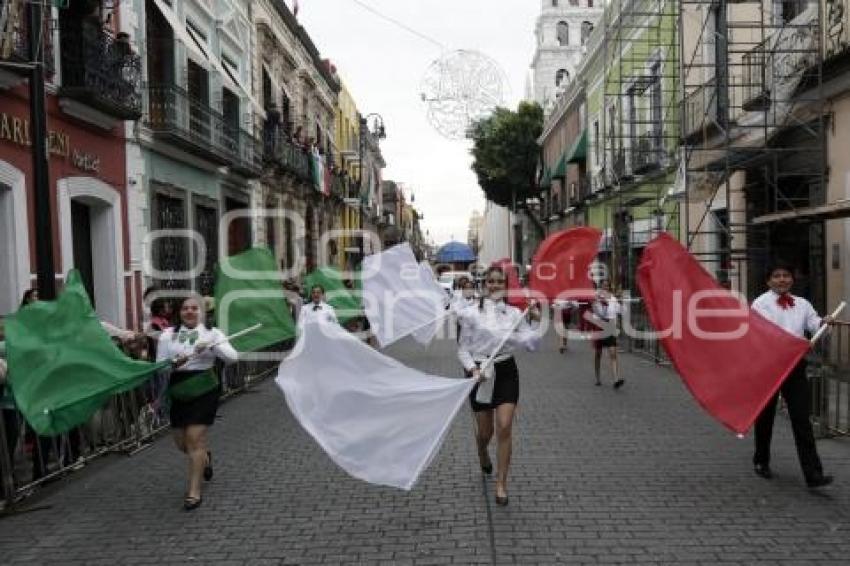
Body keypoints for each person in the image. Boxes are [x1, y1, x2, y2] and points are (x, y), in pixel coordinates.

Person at [750, 262, 844, 488]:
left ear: (792, 279)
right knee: (765, 418)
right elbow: (761, 333)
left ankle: (813, 473)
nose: (782, 279)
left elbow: (814, 326)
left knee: (802, 420)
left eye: (786, 275)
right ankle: (761, 460)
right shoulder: (760, 304)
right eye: (777, 275)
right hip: (769, 368)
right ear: (768, 281)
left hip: (795, 368)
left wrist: (824, 322)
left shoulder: (802, 304)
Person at [457, 265, 541, 506]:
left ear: (505, 287)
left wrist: (535, 321)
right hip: (481, 373)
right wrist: (472, 369)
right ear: (485, 285)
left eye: (499, 282)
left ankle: (501, 483)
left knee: (504, 426)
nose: (494, 286)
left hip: (505, 372)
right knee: (486, 433)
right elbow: (462, 348)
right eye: (491, 282)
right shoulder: (472, 313)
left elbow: (531, 345)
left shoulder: (515, 314)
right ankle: (482, 450)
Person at [155, 296, 238, 510]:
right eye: (185, 308)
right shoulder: (167, 336)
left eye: (194, 308)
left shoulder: (213, 333)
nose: (190, 311)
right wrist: (173, 363)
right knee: (183, 444)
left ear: (202, 312)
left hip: (205, 389)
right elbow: (159, 367)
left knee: (194, 438)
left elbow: (233, 357)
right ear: (179, 312)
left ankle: (194, 491)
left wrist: (213, 348)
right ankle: (205, 459)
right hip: (179, 390)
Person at [590, 280, 623, 388]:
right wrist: (601, 302)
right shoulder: (596, 297)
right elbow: (596, 312)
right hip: (599, 325)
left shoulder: (613, 298)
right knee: (598, 353)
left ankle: (616, 379)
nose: (606, 288)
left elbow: (618, 312)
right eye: (604, 286)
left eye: (607, 286)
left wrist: (620, 302)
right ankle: (597, 377)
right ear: (601, 287)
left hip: (610, 327)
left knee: (613, 352)